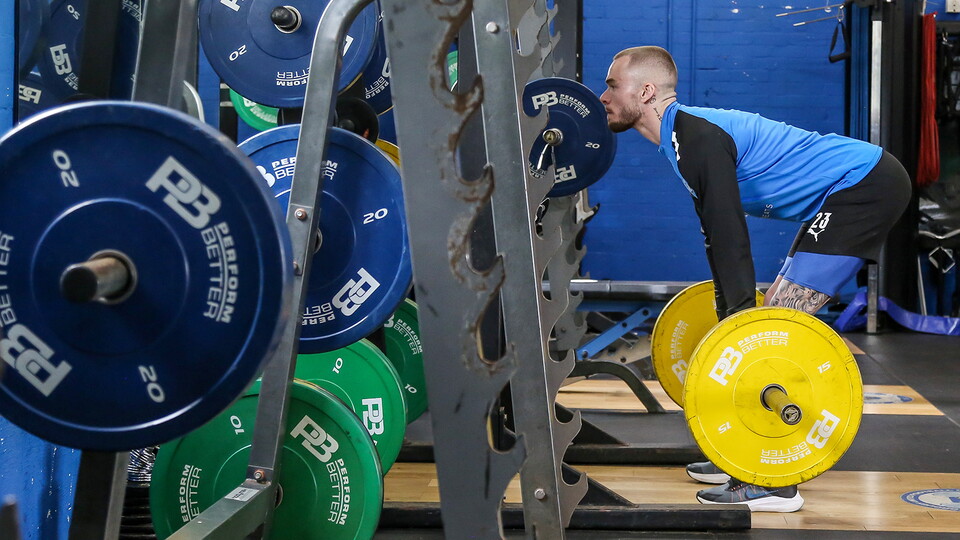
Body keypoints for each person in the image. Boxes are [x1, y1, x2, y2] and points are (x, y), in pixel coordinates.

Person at [599, 46, 912, 512]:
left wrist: (741, 328)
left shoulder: (694, 135)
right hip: (842, 192)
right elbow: (715, 234)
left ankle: (774, 483)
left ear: (645, 92)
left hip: (862, 187)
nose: (602, 95)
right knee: (765, 326)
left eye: (611, 84)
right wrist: (735, 318)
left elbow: (730, 234)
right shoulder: (677, 140)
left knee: (772, 334)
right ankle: (743, 460)